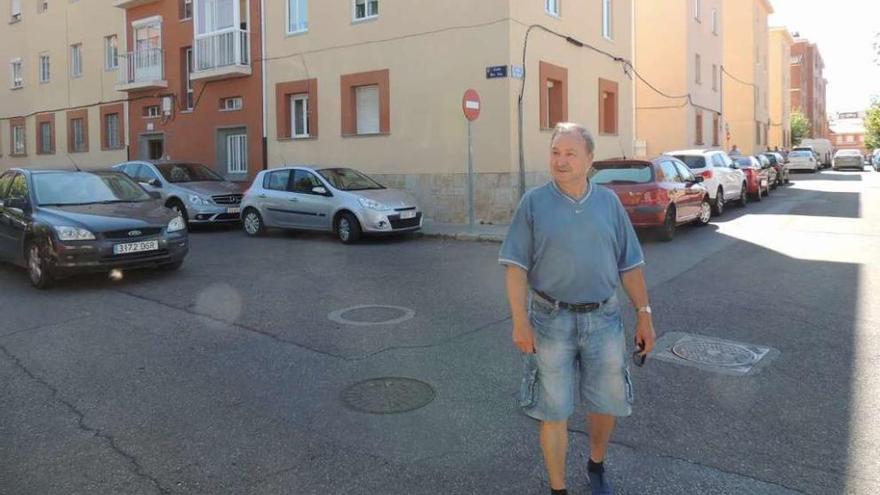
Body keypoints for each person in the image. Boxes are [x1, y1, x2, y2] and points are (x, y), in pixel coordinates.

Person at [499, 122, 656, 495]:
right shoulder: (534, 203)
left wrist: (644, 315)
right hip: (550, 320)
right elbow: (515, 267)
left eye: (570, 153)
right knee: (553, 410)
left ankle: (596, 463)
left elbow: (630, 264)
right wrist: (520, 321)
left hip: (604, 319)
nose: (561, 160)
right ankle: (558, 488)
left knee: (606, 403)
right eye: (555, 152)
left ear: (589, 160)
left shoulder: (609, 204)